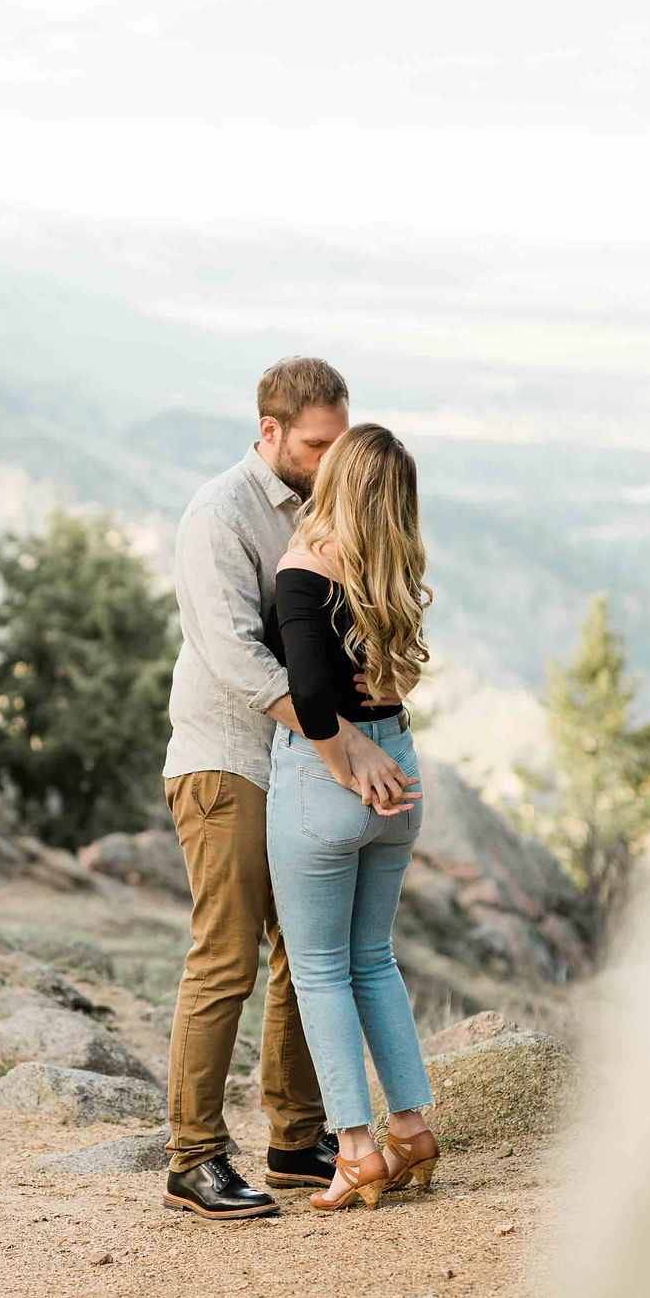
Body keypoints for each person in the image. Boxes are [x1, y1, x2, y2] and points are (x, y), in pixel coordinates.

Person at [161, 360, 425, 1220]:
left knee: (302, 956)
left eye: (339, 442)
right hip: (230, 759)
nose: (329, 457)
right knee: (228, 956)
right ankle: (194, 1157)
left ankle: (299, 1138)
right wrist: (345, 744)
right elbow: (240, 656)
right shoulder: (220, 516)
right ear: (268, 431)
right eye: (316, 444)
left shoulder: (329, 511)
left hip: (299, 763)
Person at [264, 421, 439, 1213]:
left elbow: (308, 696)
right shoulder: (394, 569)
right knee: (374, 958)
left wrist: (341, 764)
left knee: (321, 970)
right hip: (401, 771)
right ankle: (412, 1129)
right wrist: (373, 761)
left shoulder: (304, 570)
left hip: (325, 782)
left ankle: (358, 1150)